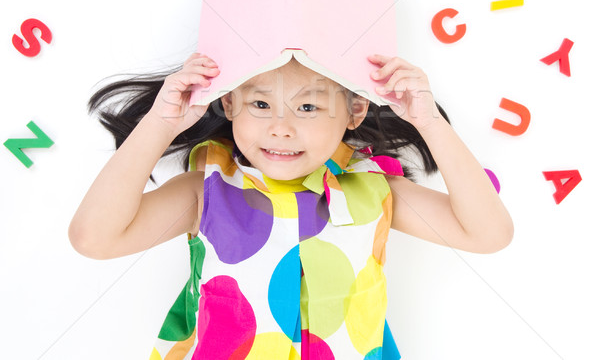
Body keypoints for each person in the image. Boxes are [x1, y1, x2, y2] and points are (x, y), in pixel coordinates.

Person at [69, 51, 513, 360]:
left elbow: (487, 234)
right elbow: (95, 238)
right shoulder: (207, 190)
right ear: (229, 103)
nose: (280, 128)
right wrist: (160, 124)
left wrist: (429, 121)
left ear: (355, 111)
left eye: (308, 107)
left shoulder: (373, 190)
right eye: (260, 104)